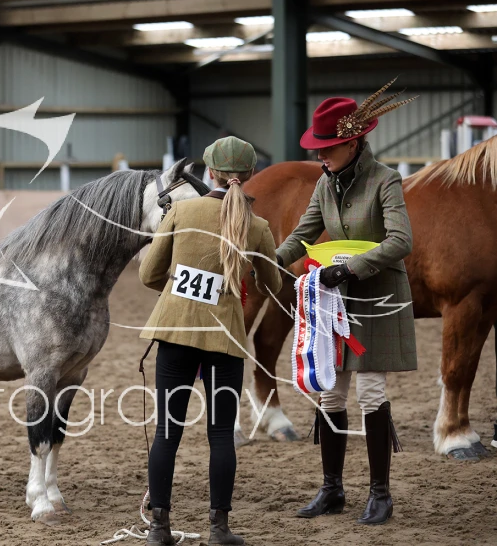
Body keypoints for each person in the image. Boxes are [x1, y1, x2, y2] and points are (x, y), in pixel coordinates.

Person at [274, 82, 418, 526]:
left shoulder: (386, 180)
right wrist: (269, 261)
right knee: (330, 391)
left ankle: (380, 494)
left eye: (328, 147)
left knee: (370, 392)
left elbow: (401, 241)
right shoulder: (324, 182)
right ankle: (332, 489)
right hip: (335, 298)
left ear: (353, 143)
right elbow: (302, 233)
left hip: (377, 297)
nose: (321, 155)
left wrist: (351, 268)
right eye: (318, 148)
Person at [139, 136, 282, 545]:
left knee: (167, 432)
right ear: (249, 175)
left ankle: (159, 528)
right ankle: (219, 529)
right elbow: (272, 283)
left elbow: (148, 275)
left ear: (210, 172)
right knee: (221, 436)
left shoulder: (181, 212)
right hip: (225, 339)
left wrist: (182, 291)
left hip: (177, 331)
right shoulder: (257, 226)